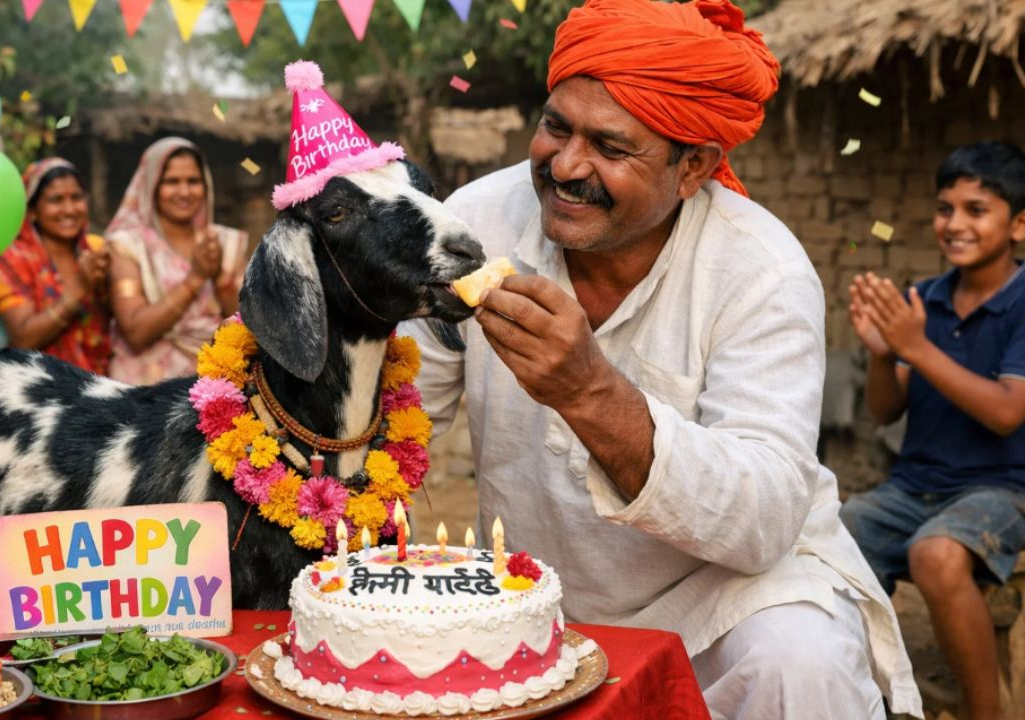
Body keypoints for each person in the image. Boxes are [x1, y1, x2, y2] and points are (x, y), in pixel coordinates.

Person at [401, 0, 922, 717]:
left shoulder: (762, 271)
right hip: (537, 594)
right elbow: (399, 420)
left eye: (611, 148)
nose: (566, 165)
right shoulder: (479, 222)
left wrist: (589, 392)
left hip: (726, 600)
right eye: (556, 127)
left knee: (798, 662)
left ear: (693, 167)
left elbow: (764, 517)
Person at [841, 141, 1025, 720]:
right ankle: (864, 696)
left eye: (976, 210)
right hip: (914, 487)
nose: (955, 223)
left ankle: (984, 712)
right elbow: (885, 411)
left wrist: (916, 348)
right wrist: (882, 353)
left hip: (1003, 490)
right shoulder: (924, 299)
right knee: (833, 534)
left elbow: (1007, 411)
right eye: (945, 209)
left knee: (936, 554)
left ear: (1019, 225)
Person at [105, 138, 248, 384]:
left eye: (193, 181)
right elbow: (136, 333)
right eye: (171, 182)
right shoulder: (127, 245)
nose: (184, 192)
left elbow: (245, 323)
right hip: (146, 387)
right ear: (151, 185)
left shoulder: (224, 242)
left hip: (219, 382)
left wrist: (220, 277)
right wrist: (196, 279)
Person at [0, 157, 112, 374]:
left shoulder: (95, 250)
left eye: (76, 198)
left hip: (99, 381)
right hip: (39, 383)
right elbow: (24, 339)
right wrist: (78, 289)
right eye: (56, 200)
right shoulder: (11, 261)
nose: (69, 209)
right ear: (33, 211)